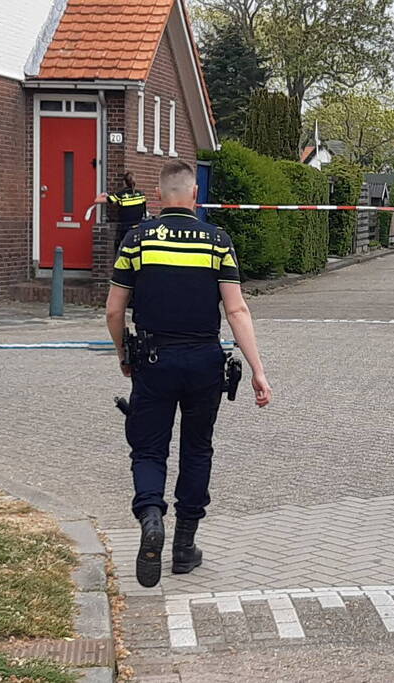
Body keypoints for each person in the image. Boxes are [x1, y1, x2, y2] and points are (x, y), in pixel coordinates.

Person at [105, 160, 272, 588]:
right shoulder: (217, 241)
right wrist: (257, 369)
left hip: (153, 359)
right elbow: (236, 309)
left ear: (158, 197)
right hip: (204, 362)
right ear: (195, 194)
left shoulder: (136, 239)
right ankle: (183, 548)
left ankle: (151, 516)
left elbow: (113, 310)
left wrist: (124, 353)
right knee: (197, 450)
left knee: (148, 449)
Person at [95, 172, 147, 255]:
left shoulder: (120, 195)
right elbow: (143, 209)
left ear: (124, 183)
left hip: (125, 227)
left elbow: (97, 200)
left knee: (121, 248)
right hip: (138, 227)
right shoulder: (141, 195)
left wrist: (103, 194)